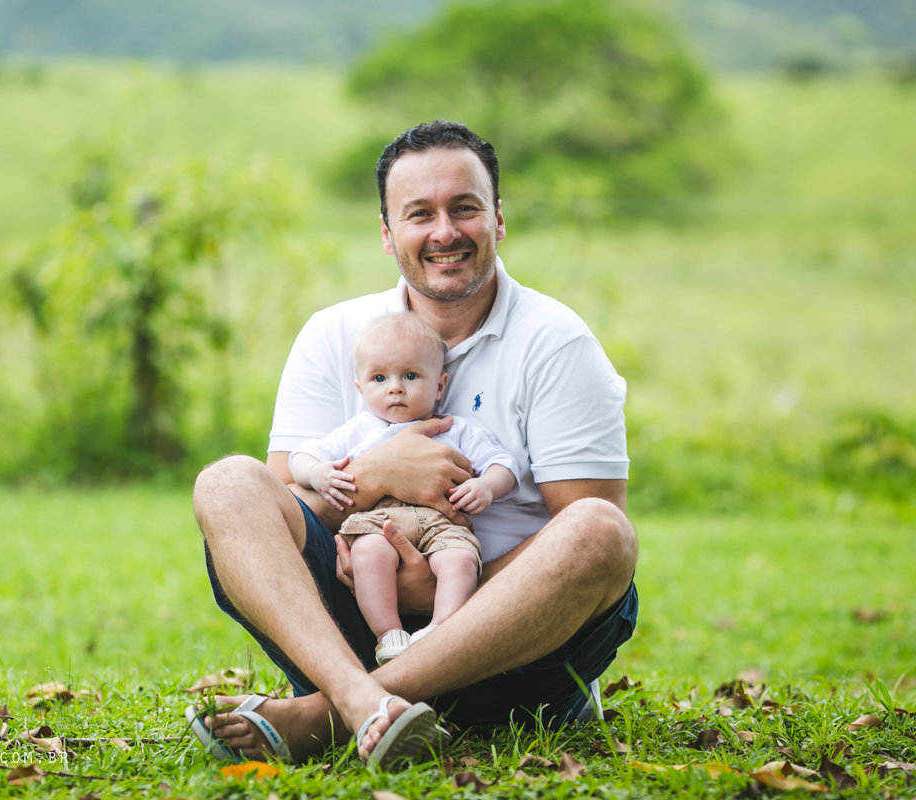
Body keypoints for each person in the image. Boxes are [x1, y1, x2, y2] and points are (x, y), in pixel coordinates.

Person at [189, 120, 639, 770]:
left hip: (513, 654)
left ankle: (327, 716)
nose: (445, 232)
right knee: (227, 484)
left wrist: (448, 583)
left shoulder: (557, 343)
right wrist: (376, 476)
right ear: (387, 232)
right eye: (420, 213)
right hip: (359, 627)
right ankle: (360, 699)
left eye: (465, 208)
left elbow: (593, 545)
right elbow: (283, 512)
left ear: (498, 219)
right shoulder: (333, 334)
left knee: (603, 530)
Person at [289, 312, 517, 666]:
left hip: (444, 524)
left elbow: (504, 464)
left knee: (460, 560)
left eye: (410, 376)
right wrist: (317, 473)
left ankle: (443, 630)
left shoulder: (455, 429)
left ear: (439, 385)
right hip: (378, 522)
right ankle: (388, 635)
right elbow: (300, 458)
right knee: (367, 555)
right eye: (379, 378)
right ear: (361, 389)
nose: (395, 387)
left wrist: (487, 485)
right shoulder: (358, 430)